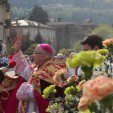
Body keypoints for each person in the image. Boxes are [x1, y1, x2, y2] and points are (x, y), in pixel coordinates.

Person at [5, 36, 62, 113]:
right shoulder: (35, 67)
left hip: (38, 108)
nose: (32, 55)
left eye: (35, 52)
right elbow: (23, 68)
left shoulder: (54, 70)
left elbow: (55, 92)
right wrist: (18, 50)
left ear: (42, 56)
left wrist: (30, 92)